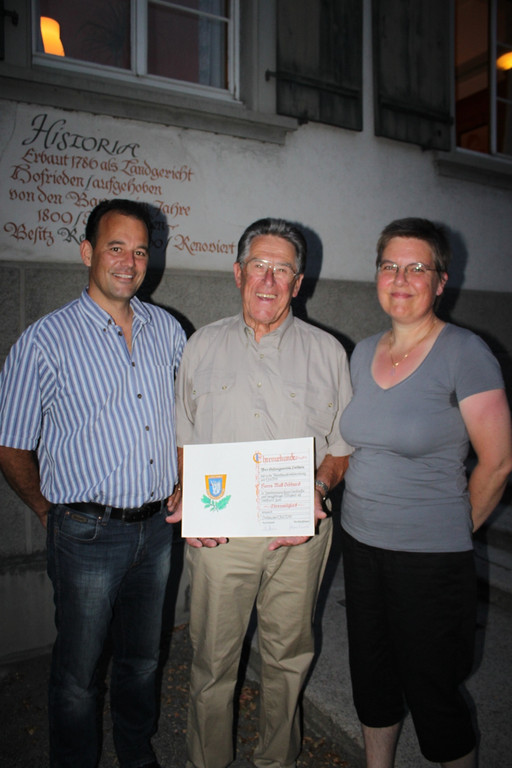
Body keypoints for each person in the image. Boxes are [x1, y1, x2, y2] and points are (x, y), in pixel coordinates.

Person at [0, 199, 186, 768]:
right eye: (115, 247)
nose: (129, 262)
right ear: (88, 252)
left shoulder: (167, 329)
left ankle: (137, 753)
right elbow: (10, 443)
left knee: (143, 661)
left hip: (157, 530)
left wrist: (186, 479)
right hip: (85, 532)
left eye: (140, 251)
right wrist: (46, 509)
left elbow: (188, 415)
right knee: (78, 675)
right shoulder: (45, 341)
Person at [172, 217, 353, 768]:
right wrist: (190, 500)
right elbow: (185, 437)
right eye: (259, 266)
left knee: (288, 658)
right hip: (219, 537)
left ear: (298, 283)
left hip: (299, 534)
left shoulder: (328, 352)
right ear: (238, 273)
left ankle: (276, 760)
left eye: (283, 270)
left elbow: (342, 447)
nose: (269, 280)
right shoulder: (201, 346)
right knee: (212, 662)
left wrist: (317, 490)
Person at [339, 217, 512, 768]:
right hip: (360, 546)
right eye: (390, 265)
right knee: (371, 679)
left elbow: (498, 462)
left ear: (440, 281)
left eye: (417, 267)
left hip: (431, 559)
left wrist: (454, 528)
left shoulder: (465, 352)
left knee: (434, 695)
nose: (401, 278)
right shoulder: (362, 352)